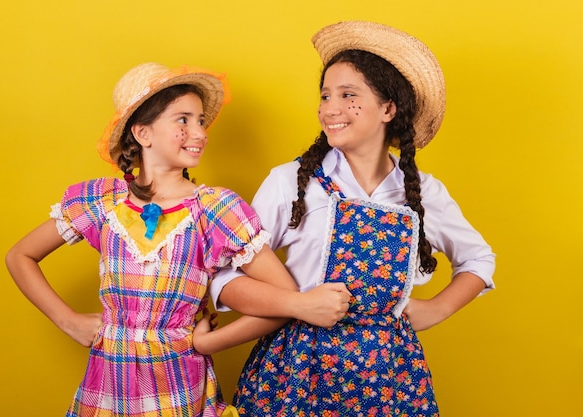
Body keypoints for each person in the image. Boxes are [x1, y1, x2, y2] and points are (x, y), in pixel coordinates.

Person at [5, 62, 351, 417]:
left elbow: (287, 300)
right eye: (183, 120)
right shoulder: (101, 202)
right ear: (143, 133)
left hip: (179, 387)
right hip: (108, 384)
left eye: (201, 121)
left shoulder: (216, 210)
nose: (199, 132)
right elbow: (20, 256)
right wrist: (69, 321)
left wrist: (208, 341)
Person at [198, 21, 496, 416]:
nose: (329, 109)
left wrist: (436, 309)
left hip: (387, 375)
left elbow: (478, 259)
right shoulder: (290, 183)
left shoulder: (422, 192)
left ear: (388, 108)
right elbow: (223, 273)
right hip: (297, 370)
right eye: (325, 95)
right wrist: (296, 304)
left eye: (348, 95)